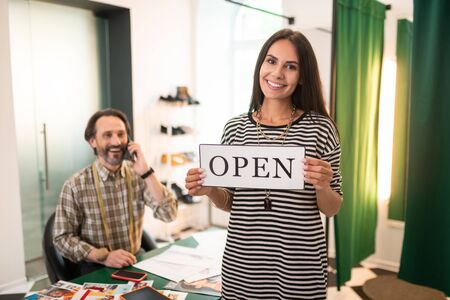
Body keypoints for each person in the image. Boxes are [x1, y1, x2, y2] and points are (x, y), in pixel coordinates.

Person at [185, 29, 342, 299]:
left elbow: (332, 207)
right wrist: (210, 189)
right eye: (271, 61)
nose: (277, 73)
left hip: (299, 269)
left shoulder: (321, 128)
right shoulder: (235, 128)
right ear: (260, 66)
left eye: (290, 66)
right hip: (243, 267)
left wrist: (323, 185)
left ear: (302, 76)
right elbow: (231, 201)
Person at [53, 108, 177, 274]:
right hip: (95, 266)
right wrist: (103, 256)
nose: (117, 141)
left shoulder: (138, 175)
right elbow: (62, 238)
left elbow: (168, 214)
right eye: (107, 135)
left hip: (135, 260)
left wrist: (147, 172)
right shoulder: (75, 185)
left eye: (121, 134)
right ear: (92, 141)